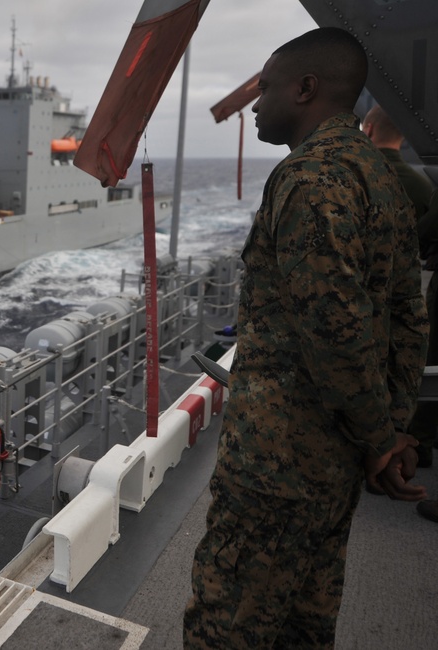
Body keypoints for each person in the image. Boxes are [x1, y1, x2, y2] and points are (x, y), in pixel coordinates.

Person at [183, 27, 429, 649]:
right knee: (306, 625)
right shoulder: (380, 177)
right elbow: (407, 316)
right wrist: (389, 427)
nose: (257, 104)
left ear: (306, 88)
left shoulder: (307, 179)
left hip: (278, 462)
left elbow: (334, 329)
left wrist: (379, 439)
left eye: (265, 90)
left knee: (229, 623)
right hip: (335, 461)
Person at [363, 105, 438, 468]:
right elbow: (426, 238)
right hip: (405, 296)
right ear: (404, 135)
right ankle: (409, 444)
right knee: (406, 367)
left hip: (358, 297)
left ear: (368, 127)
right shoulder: (421, 184)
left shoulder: (352, 174)